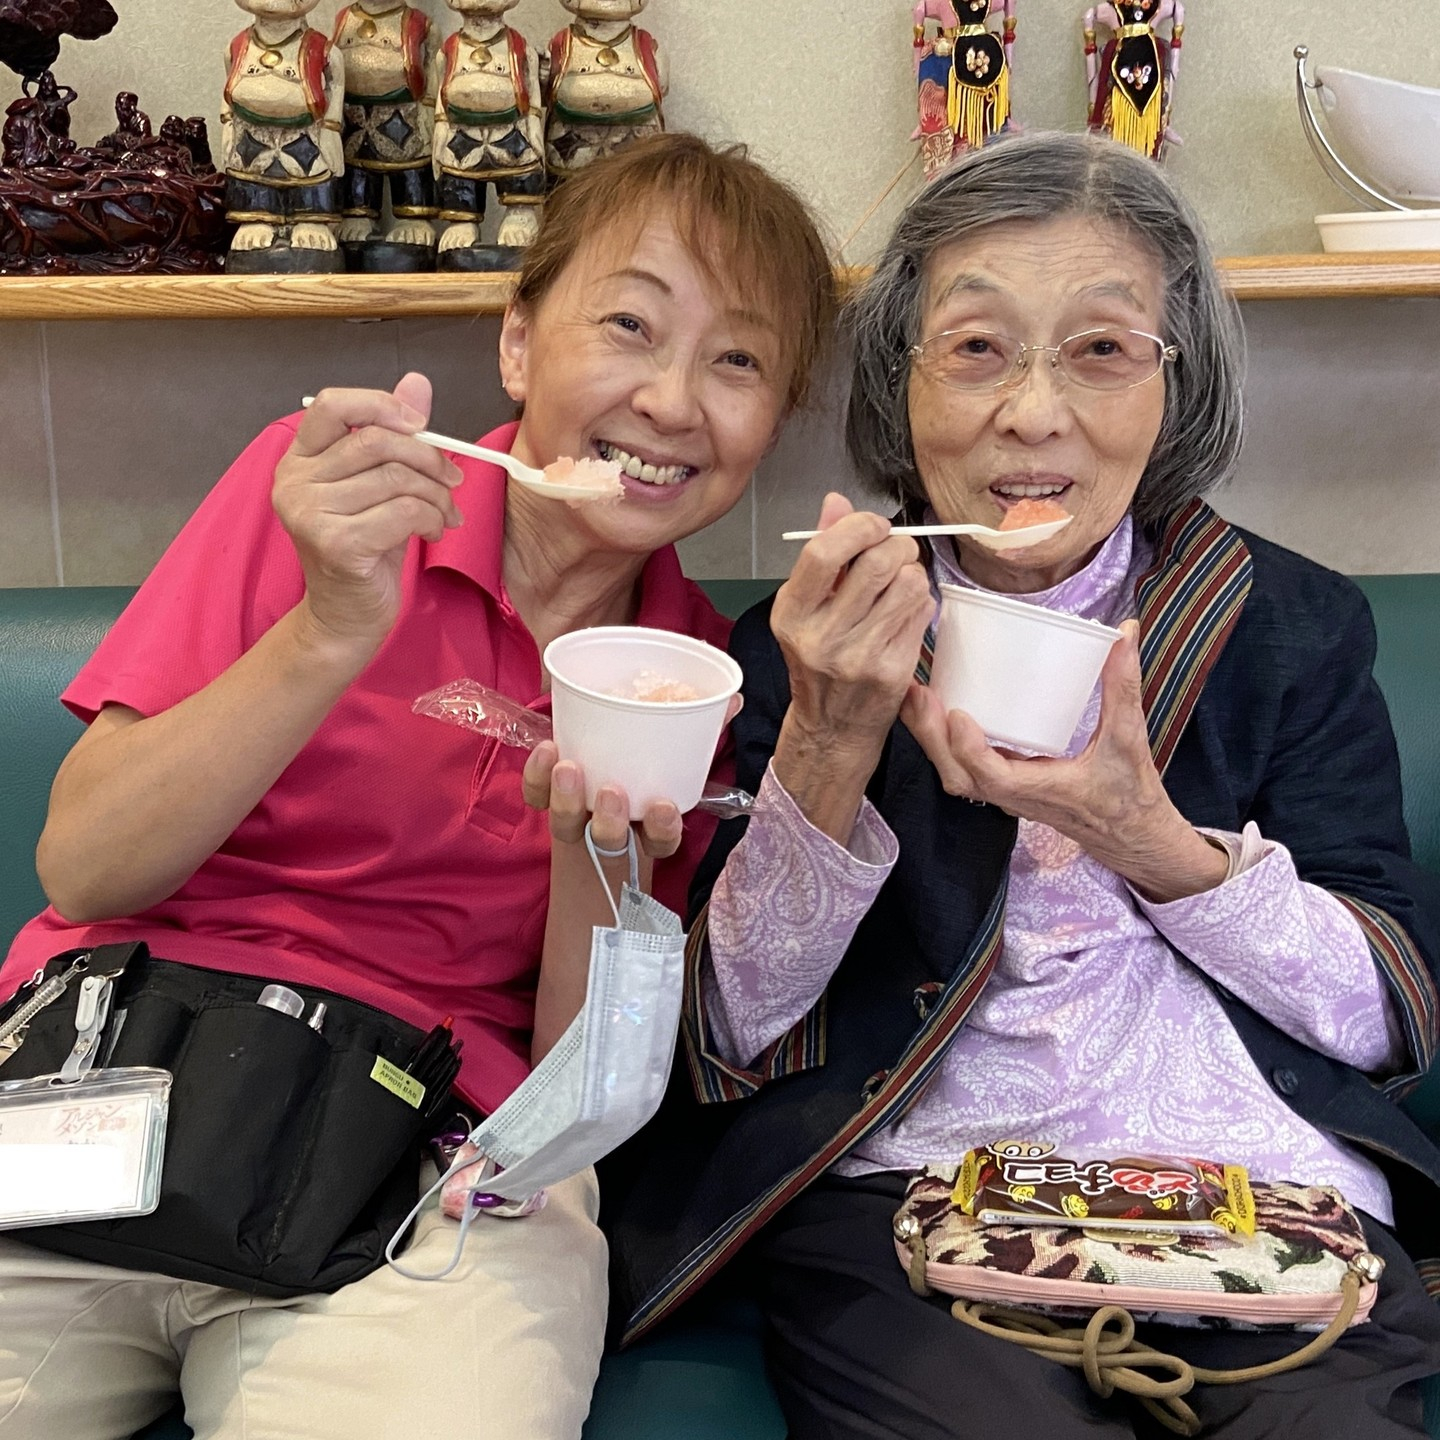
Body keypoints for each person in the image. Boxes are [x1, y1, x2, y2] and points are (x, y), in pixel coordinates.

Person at [600, 132, 1440, 1438]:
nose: (1033, 414)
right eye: (978, 348)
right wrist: (828, 738)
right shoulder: (804, 643)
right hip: (918, 1218)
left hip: (1262, 1209)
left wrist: (1152, 842)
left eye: (1102, 350)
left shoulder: (1285, 626)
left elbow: (1390, 1017)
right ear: (901, 383)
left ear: (1178, 386)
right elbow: (726, 1029)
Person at [0, 132, 834, 1440]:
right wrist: (331, 628)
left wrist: (588, 852)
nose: (673, 400)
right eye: (630, 324)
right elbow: (85, 867)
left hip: (436, 1168)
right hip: (108, 1080)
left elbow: (581, 1094)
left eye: (738, 360)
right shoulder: (325, 503)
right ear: (517, 343)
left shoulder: (694, 681)